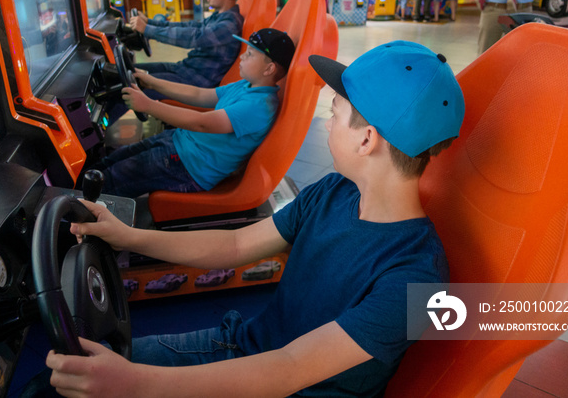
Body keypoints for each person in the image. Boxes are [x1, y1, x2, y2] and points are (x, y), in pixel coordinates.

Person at [45, 41, 466, 397]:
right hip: (246, 346)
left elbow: (288, 369)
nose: (328, 123)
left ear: (367, 139)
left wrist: (135, 384)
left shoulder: (418, 280)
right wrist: (128, 236)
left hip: (283, 384)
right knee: (64, 377)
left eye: (334, 113)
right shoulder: (334, 192)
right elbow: (236, 245)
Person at [95, 28, 294, 199]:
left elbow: (202, 123)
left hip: (190, 166)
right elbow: (199, 94)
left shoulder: (258, 106)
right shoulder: (247, 85)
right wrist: (151, 81)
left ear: (269, 68)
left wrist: (148, 105)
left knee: (112, 179)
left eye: (250, 54)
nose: (242, 56)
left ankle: (74, 217)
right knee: (112, 160)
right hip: (179, 143)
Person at [127, 0, 244, 89]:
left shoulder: (229, 25)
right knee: (131, 70)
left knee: (129, 84)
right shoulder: (220, 17)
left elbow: (193, 37)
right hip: (184, 69)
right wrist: (149, 23)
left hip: (195, 83)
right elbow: (189, 26)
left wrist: (148, 30)